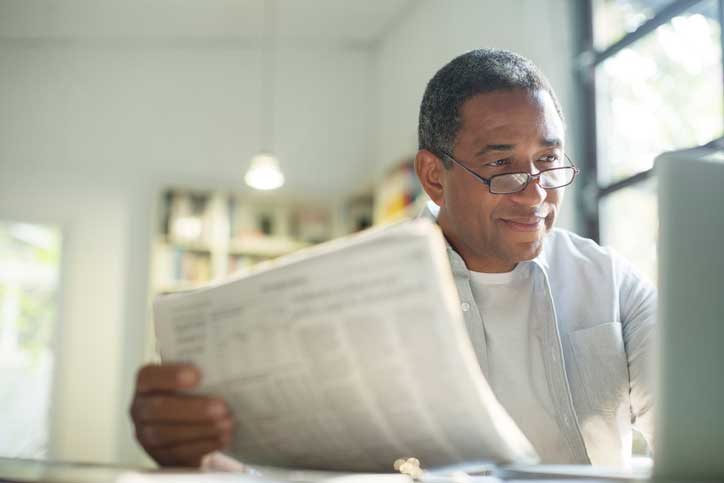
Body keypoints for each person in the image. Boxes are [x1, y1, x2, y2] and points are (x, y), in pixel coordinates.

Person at [130, 48, 655, 469]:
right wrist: (194, 450)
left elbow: (697, 427)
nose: (536, 192)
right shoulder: (347, 290)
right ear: (433, 177)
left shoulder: (613, 284)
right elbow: (269, 463)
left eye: (548, 160)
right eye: (502, 165)